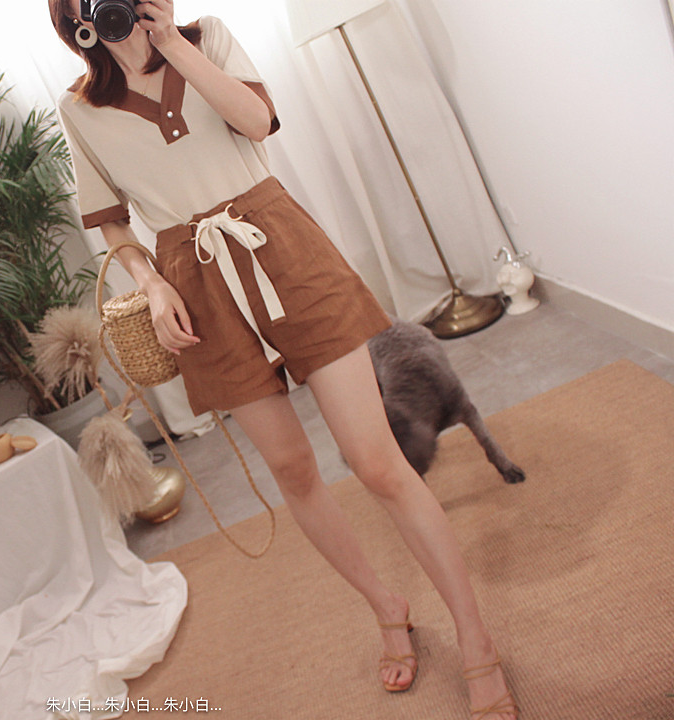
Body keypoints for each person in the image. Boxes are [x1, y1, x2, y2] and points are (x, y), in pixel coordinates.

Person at [49, 1, 518, 717]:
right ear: (72, 14)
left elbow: (258, 121)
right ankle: (386, 608)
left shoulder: (206, 38)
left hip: (279, 244)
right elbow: (110, 220)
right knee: (294, 471)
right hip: (193, 278)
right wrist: (151, 283)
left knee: (377, 462)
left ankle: (476, 638)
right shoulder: (81, 107)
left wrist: (170, 41)